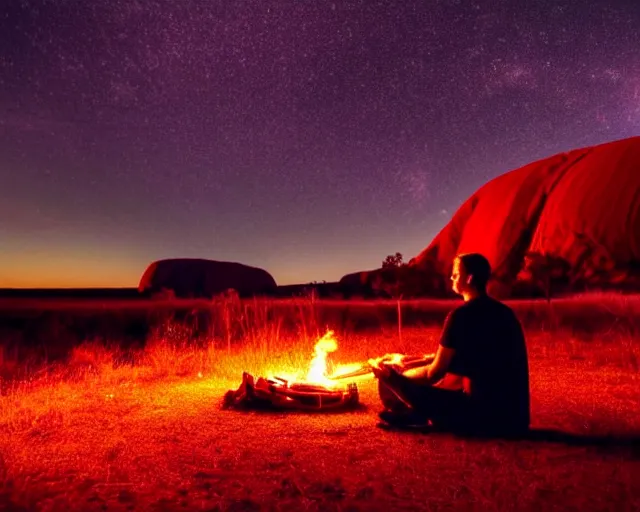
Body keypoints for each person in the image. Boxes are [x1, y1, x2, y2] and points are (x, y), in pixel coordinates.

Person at [372, 253, 530, 437]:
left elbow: (433, 373)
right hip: (515, 420)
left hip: (484, 419)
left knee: (395, 385)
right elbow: (468, 360)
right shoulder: (505, 314)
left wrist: (393, 377)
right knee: (449, 382)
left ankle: (413, 411)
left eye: (455, 274)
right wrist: (411, 359)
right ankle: (415, 415)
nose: (451, 277)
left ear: (469, 278)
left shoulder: (460, 316)